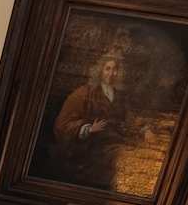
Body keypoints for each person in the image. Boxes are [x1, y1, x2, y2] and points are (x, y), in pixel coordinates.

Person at [43, 36, 133, 191]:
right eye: (108, 68)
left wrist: (144, 130)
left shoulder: (120, 96)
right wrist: (88, 129)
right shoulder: (83, 94)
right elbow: (62, 124)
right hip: (88, 148)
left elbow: (129, 119)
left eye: (115, 69)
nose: (112, 73)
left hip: (113, 143)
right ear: (100, 70)